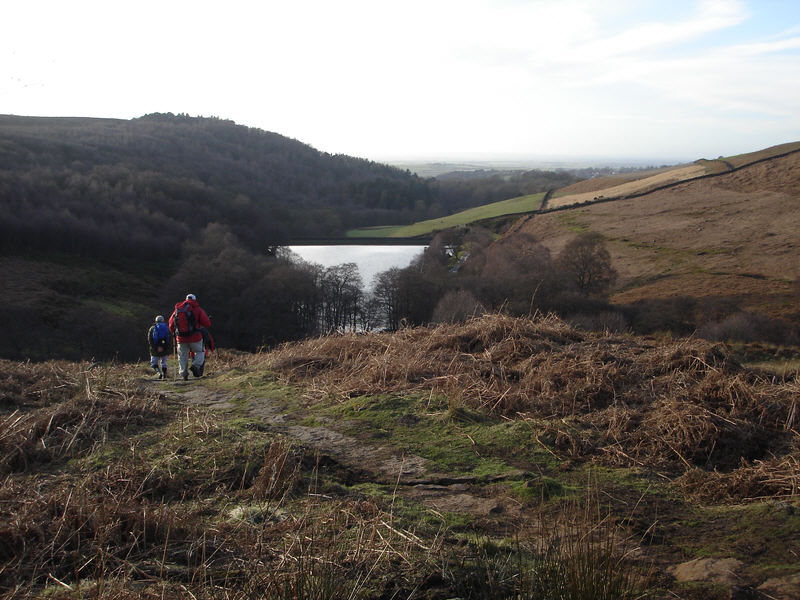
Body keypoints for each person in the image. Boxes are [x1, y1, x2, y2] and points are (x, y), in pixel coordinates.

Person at [168, 293, 212, 381]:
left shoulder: (178, 309)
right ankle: (195, 365)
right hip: (195, 337)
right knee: (200, 351)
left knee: (182, 356)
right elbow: (207, 323)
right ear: (195, 300)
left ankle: (184, 374)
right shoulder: (197, 309)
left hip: (181, 338)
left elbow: (171, 324)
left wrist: (174, 333)